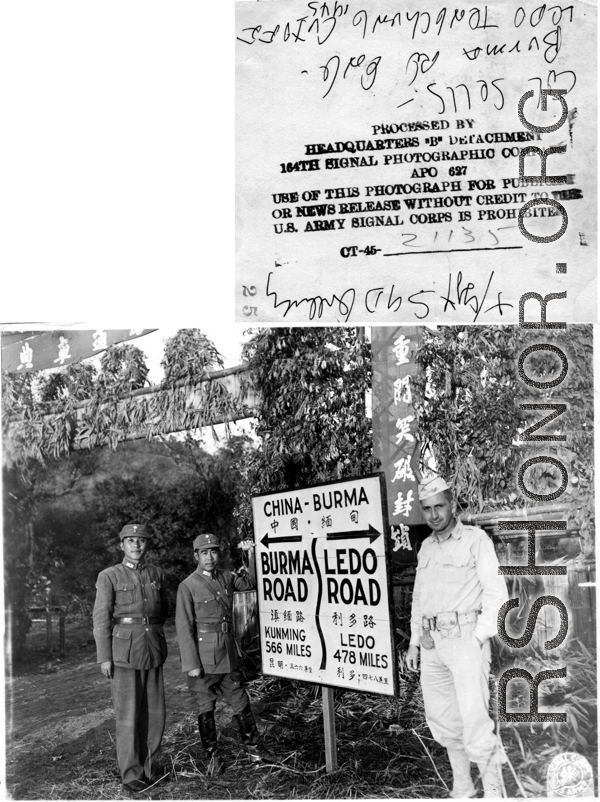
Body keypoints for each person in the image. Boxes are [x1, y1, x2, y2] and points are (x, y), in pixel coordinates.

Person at [406, 477, 509, 799]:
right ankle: (462, 787)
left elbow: (497, 594)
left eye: (439, 506)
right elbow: (419, 598)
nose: (434, 515)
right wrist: (413, 641)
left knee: (474, 718)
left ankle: (494, 791)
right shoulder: (426, 547)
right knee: (443, 718)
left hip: (465, 640)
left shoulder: (476, 541)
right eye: (427, 509)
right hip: (432, 644)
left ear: (452, 505)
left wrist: (478, 638)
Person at [175, 533, 272, 776]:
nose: (210, 557)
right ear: (195, 556)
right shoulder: (187, 586)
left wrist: (251, 555)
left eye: (214, 552)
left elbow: (251, 582)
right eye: (204, 553)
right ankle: (212, 757)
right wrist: (192, 664)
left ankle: (255, 750)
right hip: (204, 657)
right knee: (206, 707)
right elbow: (184, 628)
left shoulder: (227, 577)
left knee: (240, 700)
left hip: (228, 652)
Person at [93, 523, 168, 794]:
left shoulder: (158, 574)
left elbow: (163, 612)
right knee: (128, 716)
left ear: (147, 545)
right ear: (121, 545)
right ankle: (131, 774)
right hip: (123, 653)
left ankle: (149, 769)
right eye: (130, 541)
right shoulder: (109, 576)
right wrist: (105, 657)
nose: (136, 545)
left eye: (141, 541)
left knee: (155, 714)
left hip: (153, 649)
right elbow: (101, 619)